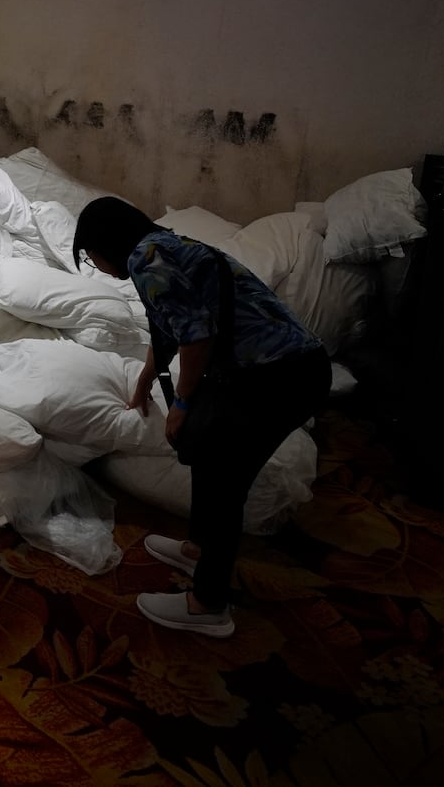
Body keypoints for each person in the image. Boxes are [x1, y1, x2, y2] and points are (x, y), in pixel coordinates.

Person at [73, 196, 328, 639]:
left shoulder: (146, 261)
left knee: (227, 475)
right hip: (287, 369)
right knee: (214, 461)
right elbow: (171, 324)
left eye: (90, 255)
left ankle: (208, 604)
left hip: (281, 376)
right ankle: (197, 548)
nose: (95, 263)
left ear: (103, 244)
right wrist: (146, 377)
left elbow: (195, 337)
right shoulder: (162, 247)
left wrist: (183, 404)